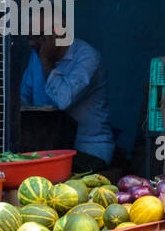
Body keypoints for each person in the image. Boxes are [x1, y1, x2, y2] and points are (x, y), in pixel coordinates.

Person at [21, 34, 114, 174]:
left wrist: (46, 62)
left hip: (88, 151)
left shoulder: (87, 56)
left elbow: (63, 100)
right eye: (29, 37)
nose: (31, 43)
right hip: (48, 150)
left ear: (60, 32)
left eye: (39, 36)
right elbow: (23, 98)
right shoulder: (36, 55)